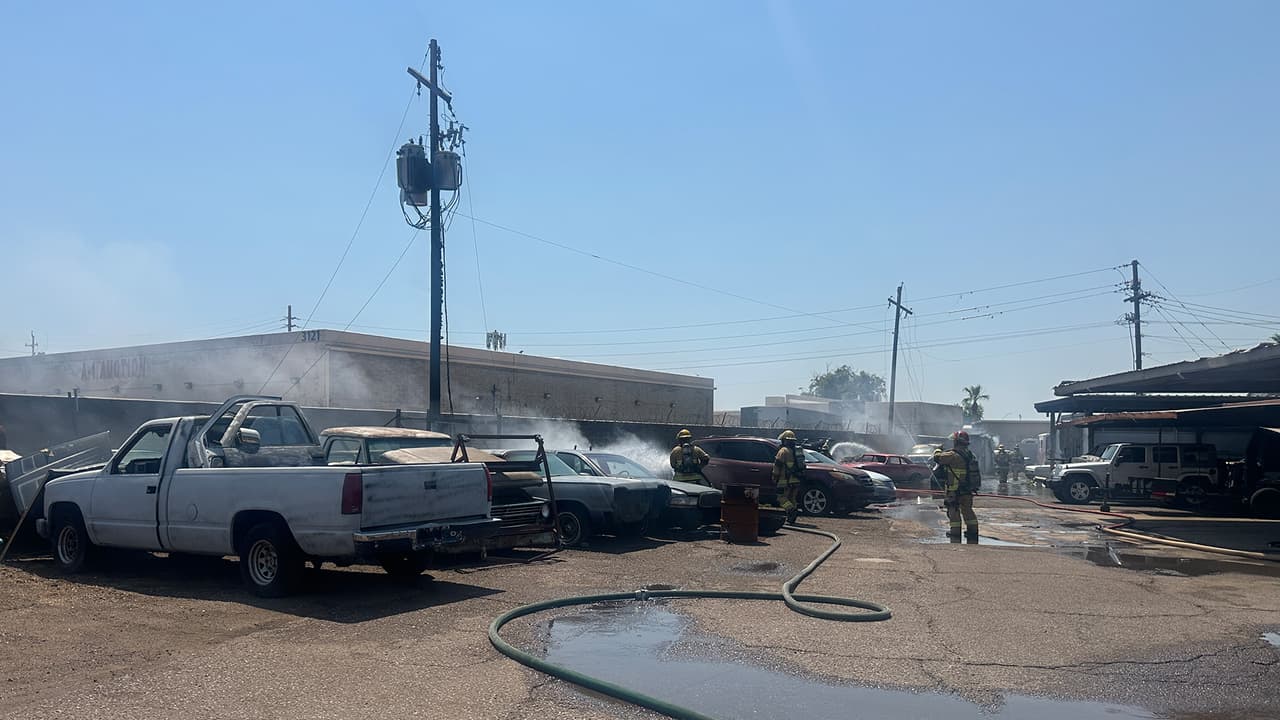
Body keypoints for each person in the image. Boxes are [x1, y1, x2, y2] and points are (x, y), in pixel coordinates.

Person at [933, 430, 981, 541]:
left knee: (953, 511)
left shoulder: (952, 455)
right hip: (968, 490)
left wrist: (938, 449)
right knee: (968, 510)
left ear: (956, 442)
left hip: (954, 490)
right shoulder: (970, 455)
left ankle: (955, 534)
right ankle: (973, 532)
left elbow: (937, 458)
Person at [774, 429, 806, 524]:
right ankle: (791, 517)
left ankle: (791, 510)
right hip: (796, 480)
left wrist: (774, 477)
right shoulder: (797, 451)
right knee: (792, 498)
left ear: (784, 440)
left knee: (781, 498)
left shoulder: (783, 451)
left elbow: (777, 466)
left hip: (785, 480)